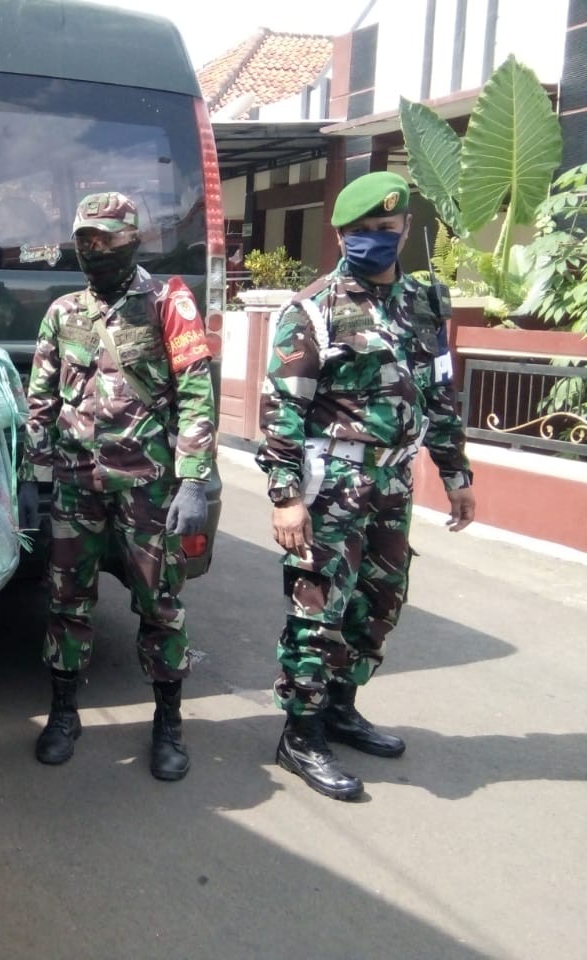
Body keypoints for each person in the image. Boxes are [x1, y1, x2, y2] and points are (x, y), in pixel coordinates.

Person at [258, 171, 476, 801]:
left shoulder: (423, 304)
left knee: (377, 601)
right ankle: (300, 733)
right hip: (333, 479)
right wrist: (286, 495)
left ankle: (340, 708)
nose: (374, 241)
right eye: (360, 232)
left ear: (406, 229)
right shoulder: (312, 309)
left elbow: (439, 393)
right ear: (341, 235)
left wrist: (455, 473)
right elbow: (284, 409)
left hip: (393, 479)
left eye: (386, 229)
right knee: (317, 607)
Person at [18, 192, 216, 781]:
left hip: (149, 488)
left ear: (132, 240)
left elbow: (197, 391)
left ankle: (168, 724)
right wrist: (34, 474)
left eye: (106, 239)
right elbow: (41, 403)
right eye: (85, 240)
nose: (94, 250)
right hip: (78, 485)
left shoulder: (168, 302)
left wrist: (193, 482)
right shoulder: (62, 312)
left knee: (160, 606)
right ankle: (62, 714)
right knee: (66, 601)